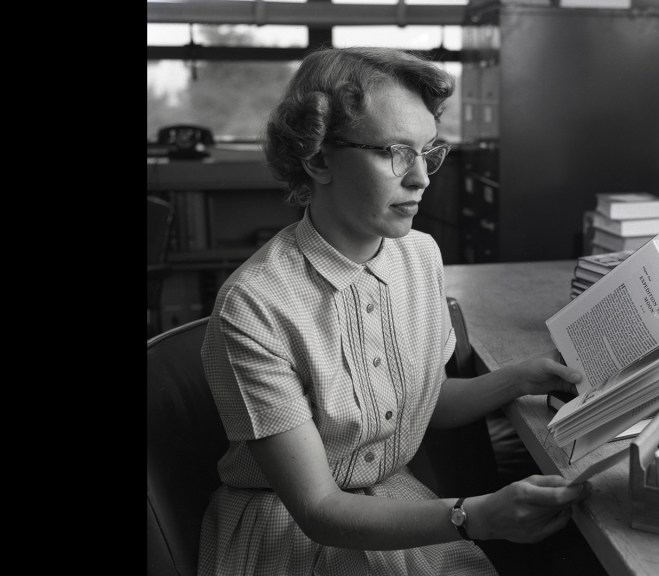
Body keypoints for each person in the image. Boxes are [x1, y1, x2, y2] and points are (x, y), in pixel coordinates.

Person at [198, 46, 589, 576]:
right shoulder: (255, 306)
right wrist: (472, 517)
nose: (422, 178)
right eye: (394, 152)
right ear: (317, 158)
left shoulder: (419, 255)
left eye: (428, 151)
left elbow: (418, 402)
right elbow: (318, 511)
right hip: (292, 531)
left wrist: (521, 378)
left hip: (393, 503)